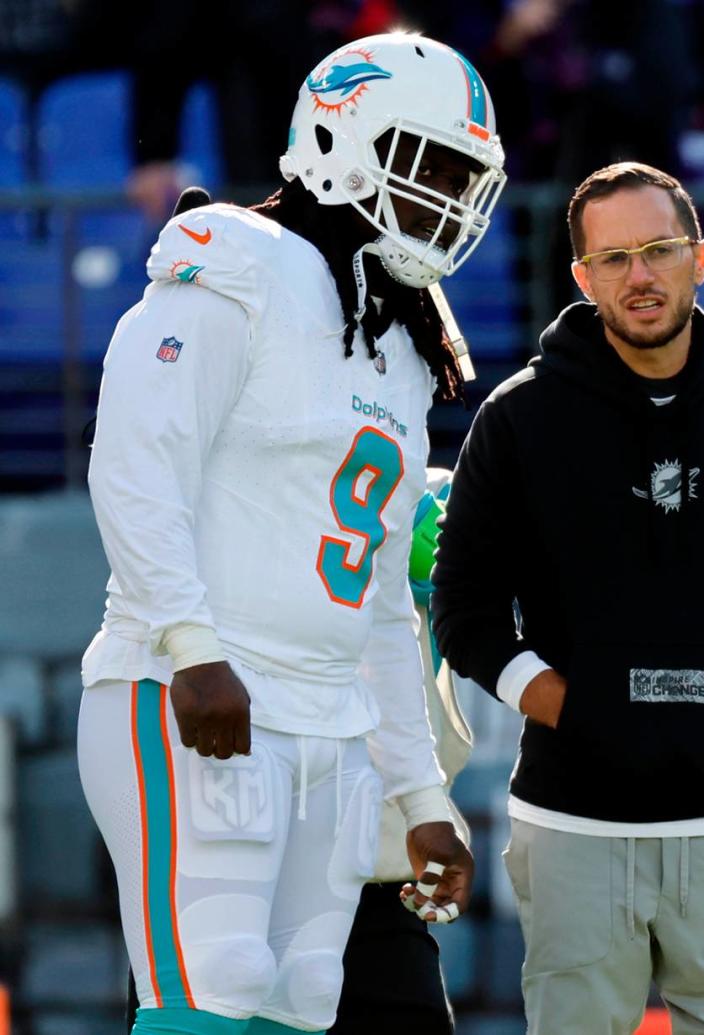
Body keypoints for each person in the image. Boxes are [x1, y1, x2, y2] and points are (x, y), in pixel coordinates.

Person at [78, 31, 505, 1035]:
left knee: (305, 998)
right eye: (429, 163)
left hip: (327, 719)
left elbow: (384, 604)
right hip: (197, 693)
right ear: (337, 138)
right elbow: (135, 469)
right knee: (213, 981)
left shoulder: (399, 337)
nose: (448, 198)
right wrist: (191, 650)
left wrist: (415, 791)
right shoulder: (238, 263)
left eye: (464, 176)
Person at [431, 161, 704, 1035]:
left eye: (659, 250)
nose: (640, 275)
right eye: (615, 258)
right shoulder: (517, 420)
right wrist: (565, 706)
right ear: (583, 279)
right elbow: (464, 607)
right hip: (572, 821)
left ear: (699, 258)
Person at [122, 467, 474, 1034]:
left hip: (371, 873)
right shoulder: (209, 497)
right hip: (211, 852)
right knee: (202, 1004)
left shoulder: (423, 488)